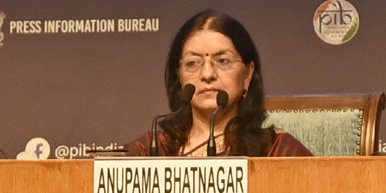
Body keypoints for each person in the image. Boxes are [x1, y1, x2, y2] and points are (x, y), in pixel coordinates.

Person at [125, 10, 313, 157]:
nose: (207, 74)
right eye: (193, 63)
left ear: (248, 74)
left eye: (223, 61)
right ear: (179, 76)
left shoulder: (277, 152)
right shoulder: (150, 151)